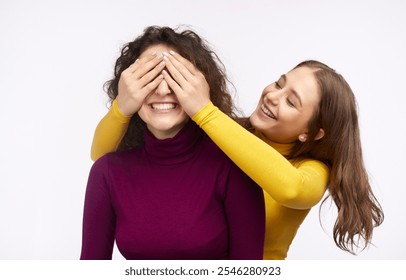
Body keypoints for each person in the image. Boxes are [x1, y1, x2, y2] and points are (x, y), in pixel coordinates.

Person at [90, 31, 384, 259]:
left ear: (313, 132)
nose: (273, 96)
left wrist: (203, 110)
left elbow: (290, 187)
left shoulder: (311, 171)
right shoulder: (227, 135)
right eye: (279, 83)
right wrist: (123, 106)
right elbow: (104, 160)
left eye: (291, 101)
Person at [80, 26, 265, 260]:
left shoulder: (234, 167)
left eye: (177, 79)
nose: (164, 90)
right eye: (149, 79)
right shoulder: (106, 172)